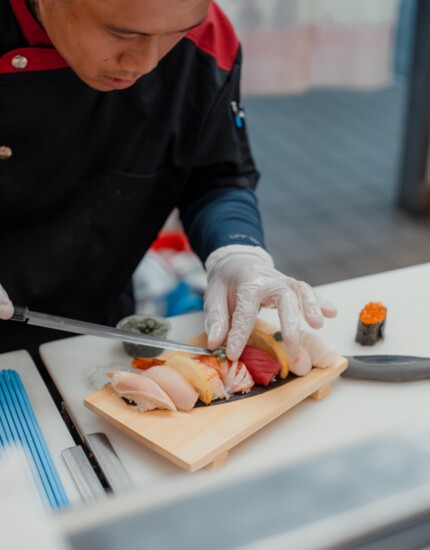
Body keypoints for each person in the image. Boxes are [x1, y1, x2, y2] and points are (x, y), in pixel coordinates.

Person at [0, 0, 337, 365]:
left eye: (177, 33)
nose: (144, 63)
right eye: (122, 33)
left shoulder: (206, 40)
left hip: (90, 328)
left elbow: (215, 175)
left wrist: (238, 252)